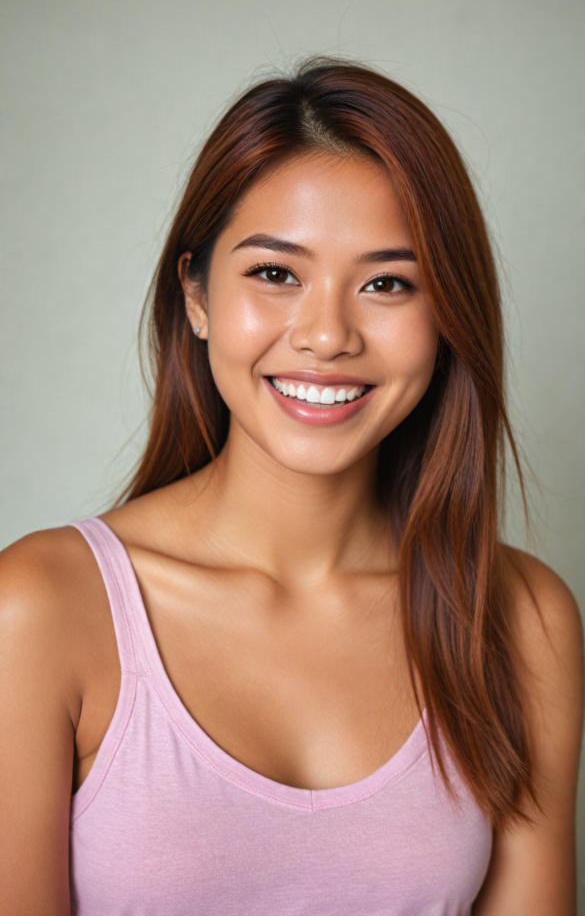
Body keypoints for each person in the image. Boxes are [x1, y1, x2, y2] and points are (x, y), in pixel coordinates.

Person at [0, 60, 582, 916]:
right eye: (276, 274)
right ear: (195, 294)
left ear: (447, 315)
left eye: (387, 283)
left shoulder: (521, 620)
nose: (326, 335)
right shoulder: (41, 608)